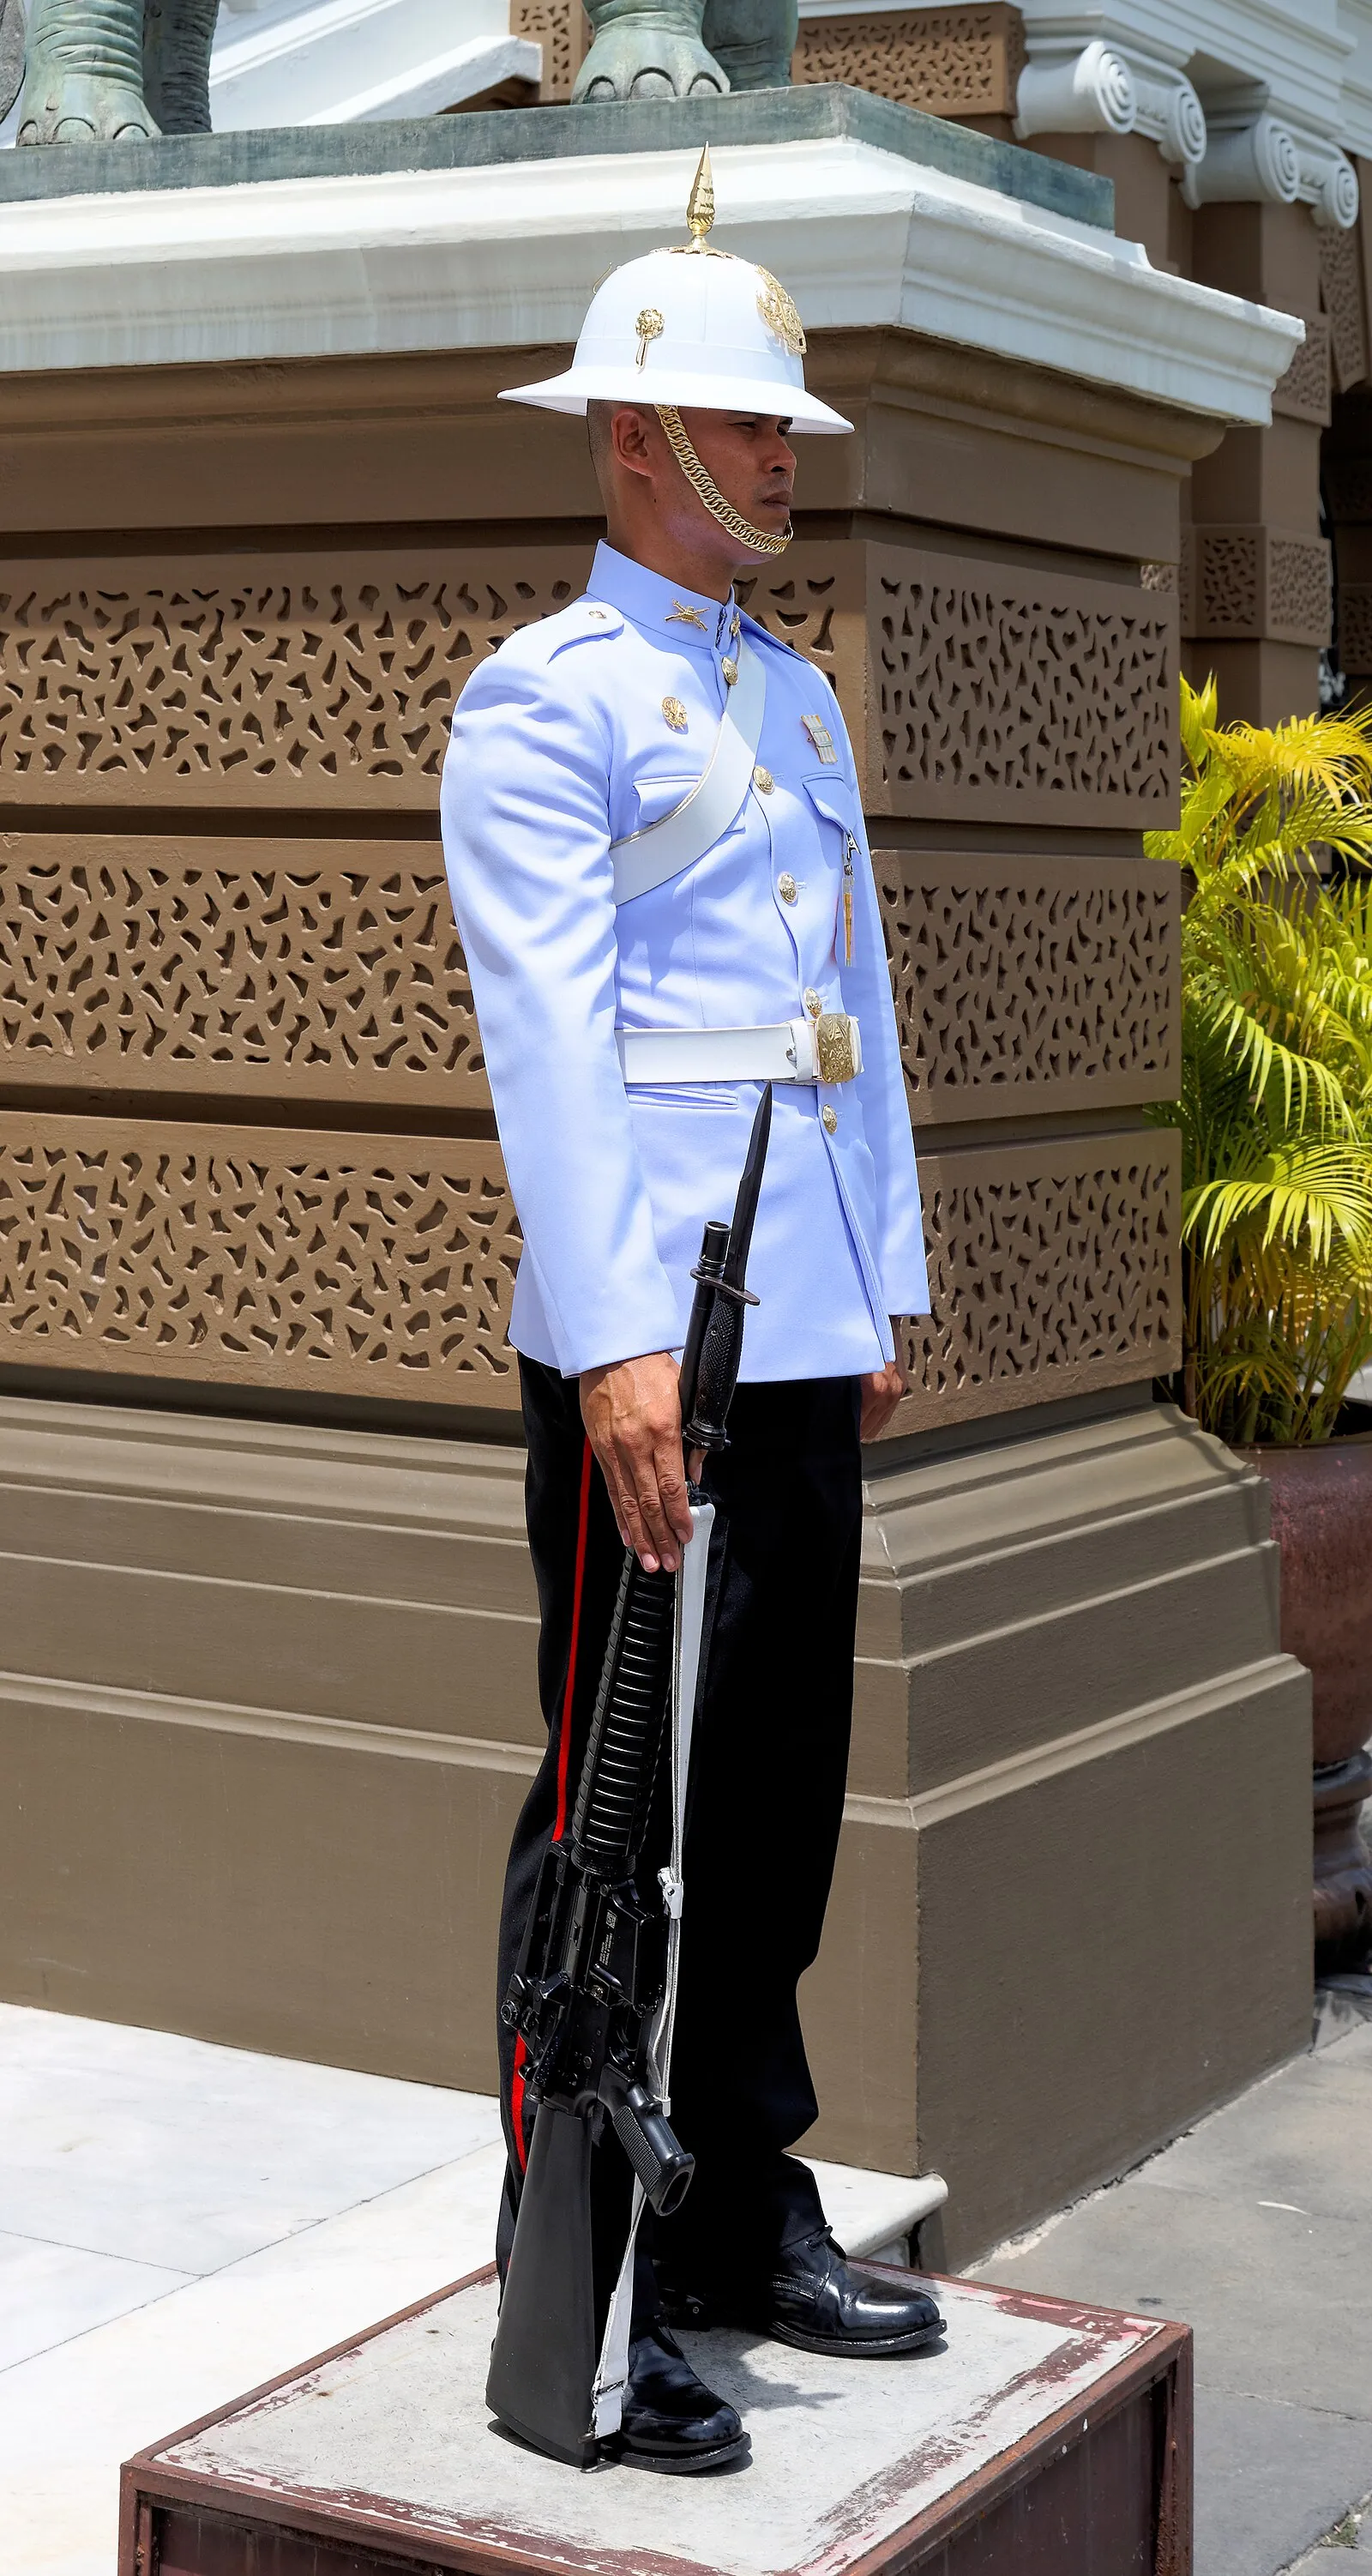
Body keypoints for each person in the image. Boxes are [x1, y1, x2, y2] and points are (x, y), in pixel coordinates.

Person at [441, 152, 943, 2476]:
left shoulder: (800, 708)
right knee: (615, 1799)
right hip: (649, 1330)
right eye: (747, 431)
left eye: (777, 435)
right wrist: (624, 1343)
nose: (776, 463)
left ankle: (740, 2196)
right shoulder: (542, 709)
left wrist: (885, 1282)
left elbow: (855, 1019)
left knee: (774, 1787)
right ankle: (585, 2273)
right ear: (642, 437)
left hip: (800, 1307)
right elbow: (553, 1044)